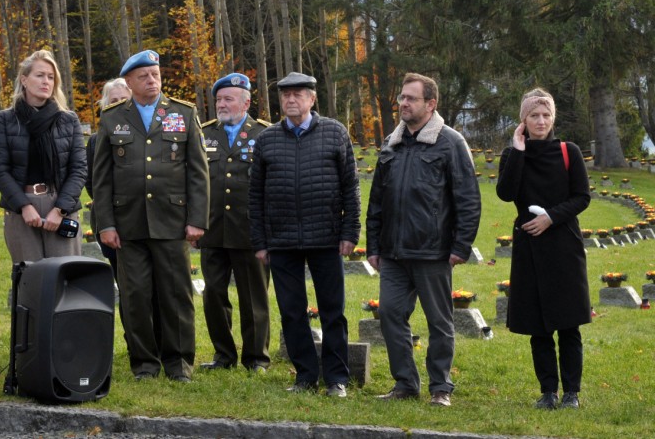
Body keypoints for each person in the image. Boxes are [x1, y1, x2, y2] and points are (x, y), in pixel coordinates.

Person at [92, 49, 209, 382]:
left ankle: (179, 363)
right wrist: (106, 225)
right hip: (128, 224)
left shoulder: (183, 113)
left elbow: (198, 173)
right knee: (136, 296)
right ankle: (144, 363)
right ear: (128, 82)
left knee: (175, 295)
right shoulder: (113, 117)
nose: (151, 80)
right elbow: (102, 178)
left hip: (171, 221)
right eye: (143, 76)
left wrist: (197, 219)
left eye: (155, 75)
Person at [365, 72, 481, 407]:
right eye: (401, 97)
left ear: (430, 104)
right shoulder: (392, 143)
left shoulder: (451, 142)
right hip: (393, 254)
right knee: (389, 315)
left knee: (439, 322)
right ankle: (405, 384)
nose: (403, 103)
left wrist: (460, 247)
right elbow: (377, 200)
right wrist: (374, 246)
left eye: (411, 98)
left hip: (433, 252)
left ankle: (440, 387)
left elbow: (468, 199)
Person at [249, 71, 360, 398]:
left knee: (332, 311)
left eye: (298, 94)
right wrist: (260, 241)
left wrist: (350, 231)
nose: (290, 100)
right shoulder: (267, 139)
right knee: (292, 312)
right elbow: (255, 195)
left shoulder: (335, 133)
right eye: (285, 95)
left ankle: (337, 378)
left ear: (312, 99)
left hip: (326, 237)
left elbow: (350, 187)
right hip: (282, 240)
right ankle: (305, 375)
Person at [496, 88, 591, 410]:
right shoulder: (513, 155)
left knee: (568, 321)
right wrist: (519, 151)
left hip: (564, 245)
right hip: (529, 245)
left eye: (546, 115)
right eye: (534, 115)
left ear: (553, 118)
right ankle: (548, 391)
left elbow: (582, 196)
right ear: (523, 119)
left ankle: (571, 393)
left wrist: (551, 217)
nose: (540, 121)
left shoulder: (569, 151)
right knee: (538, 324)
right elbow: (506, 194)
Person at [198, 73, 271, 373]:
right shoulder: (204, 133)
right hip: (212, 228)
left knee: (253, 297)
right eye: (218, 100)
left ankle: (256, 358)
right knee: (213, 294)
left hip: (249, 230)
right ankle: (223, 355)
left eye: (228, 99)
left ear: (246, 103)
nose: (222, 105)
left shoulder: (265, 134)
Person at [0, 49, 87, 263]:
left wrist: (60, 210)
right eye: (40, 75)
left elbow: (79, 169)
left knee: (65, 278)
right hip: (22, 209)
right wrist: (24, 206)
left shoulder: (68, 120)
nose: (46, 81)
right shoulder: (6, 120)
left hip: (60, 206)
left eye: (51, 77)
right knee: (30, 279)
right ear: (24, 80)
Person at [86, 78, 132, 278]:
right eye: (114, 100)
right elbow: (91, 181)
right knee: (123, 283)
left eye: (124, 99)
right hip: (110, 219)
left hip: (141, 219)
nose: (120, 104)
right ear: (105, 105)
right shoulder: (96, 140)